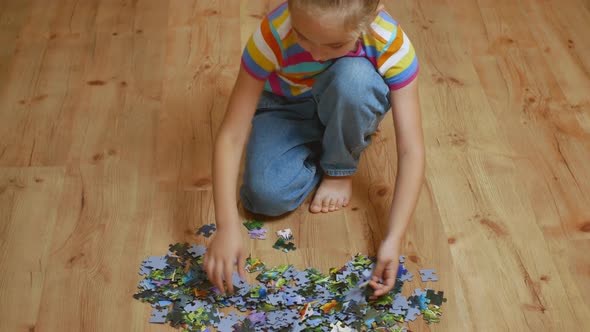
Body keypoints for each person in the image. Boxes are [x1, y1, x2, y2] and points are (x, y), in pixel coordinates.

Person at [204, 0, 424, 300]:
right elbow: (230, 136)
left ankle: (339, 165)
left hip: (348, 93)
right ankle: (335, 132)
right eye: (302, 36)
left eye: (334, 44)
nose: (316, 54)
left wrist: (394, 237)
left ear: (373, 15)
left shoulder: (390, 42)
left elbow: (411, 149)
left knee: (355, 80)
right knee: (263, 198)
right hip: (284, 104)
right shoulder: (272, 33)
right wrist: (226, 227)